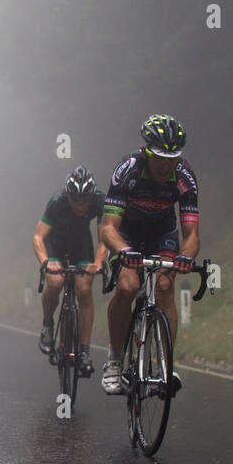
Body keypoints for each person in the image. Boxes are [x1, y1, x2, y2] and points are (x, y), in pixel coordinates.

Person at [100, 114, 200, 396]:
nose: (166, 164)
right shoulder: (127, 170)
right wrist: (124, 250)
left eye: (173, 158)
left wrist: (186, 256)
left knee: (165, 285)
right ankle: (115, 362)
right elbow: (108, 228)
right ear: (146, 151)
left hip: (162, 235)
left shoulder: (184, 176)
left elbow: (192, 234)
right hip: (127, 234)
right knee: (128, 286)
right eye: (159, 157)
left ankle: (165, 368)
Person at [33, 166, 108, 376]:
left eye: (84, 202)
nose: (80, 206)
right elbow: (38, 237)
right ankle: (48, 324)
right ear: (68, 196)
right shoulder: (57, 201)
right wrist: (46, 262)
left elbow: (105, 238)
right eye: (75, 201)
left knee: (84, 290)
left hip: (81, 245)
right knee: (55, 283)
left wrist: (99, 262)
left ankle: (84, 351)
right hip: (55, 244)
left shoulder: (100, 201)